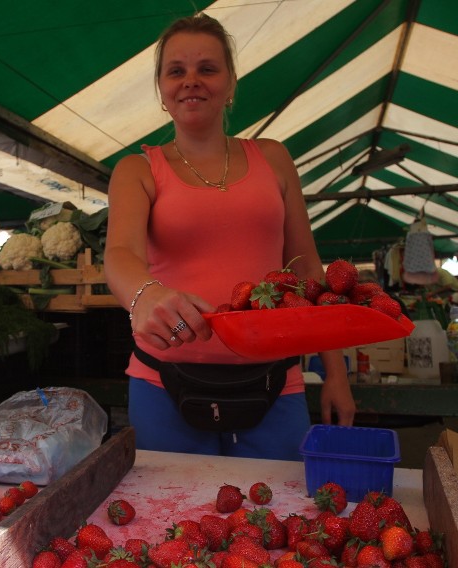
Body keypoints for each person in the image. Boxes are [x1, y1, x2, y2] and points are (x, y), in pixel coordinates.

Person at [103, 14, 355, 461]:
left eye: (207, 68)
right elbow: (121, 254)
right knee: (172, 524)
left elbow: (310, 270)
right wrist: (144, 294)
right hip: (163, 382)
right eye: (175, 70)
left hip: (277, 382)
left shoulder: (274, 159)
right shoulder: (137, 169)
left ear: (231, 82)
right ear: (161, 89)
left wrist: (335, 374)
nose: (191, 81)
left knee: (279, 519)